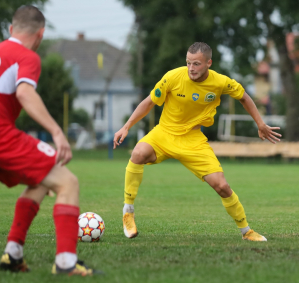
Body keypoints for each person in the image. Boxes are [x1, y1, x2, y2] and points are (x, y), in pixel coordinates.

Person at [0, 6, 100, 275]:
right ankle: (66, 263)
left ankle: (13, 255)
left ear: (10, 29)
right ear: (40, 34)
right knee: (68, 182)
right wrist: (57, 132)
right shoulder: (26, 57)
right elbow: (25, 94)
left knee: (41, 181)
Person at [113, 42, 281, 241]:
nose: (191, 68)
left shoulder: (220, 82)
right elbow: (149, 101)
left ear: (209, 63)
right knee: (138, 153)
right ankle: (128, 211)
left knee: (222, 186)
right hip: (164, 134)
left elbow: (244, 97)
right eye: (188, 63)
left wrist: (260, 124)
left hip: (193, 141)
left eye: (196, 64)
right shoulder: (172, 77)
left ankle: (246, 231)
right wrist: (126, 126)